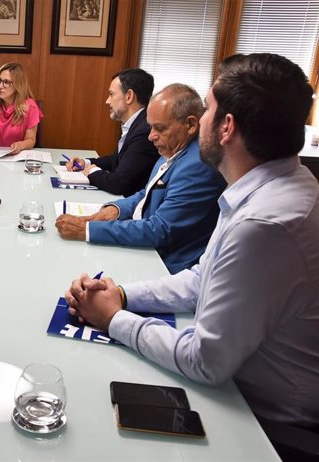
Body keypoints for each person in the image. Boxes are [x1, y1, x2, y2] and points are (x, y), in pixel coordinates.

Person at [64, 54, 319, 439]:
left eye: (208, 109)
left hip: (261, 423)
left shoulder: (264, 225)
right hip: (238, 386)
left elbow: (205, 361)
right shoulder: (268, 188)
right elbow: (203, 278)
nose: (198, 119)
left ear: (226, 127)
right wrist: (120, 294)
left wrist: (113, 319)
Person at [56, 84, 225, 275]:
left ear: (191, 125)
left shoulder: (197, 165)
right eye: (151, 126)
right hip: (147, 249)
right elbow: (148, 193)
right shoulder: (174, 147)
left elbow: (159, 230)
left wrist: (87, 230)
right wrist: (115, 209)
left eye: (159, 128)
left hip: (166, 267)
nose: (151, 136)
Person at [66, 69, 160, 196]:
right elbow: (116, 160)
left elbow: (118, 184)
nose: (107, 101)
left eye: (111, 94)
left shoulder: (144, 132)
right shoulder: (137, 123)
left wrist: (92, 172)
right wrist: (86, 162)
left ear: (129, 96)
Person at [0, 62, 44, 154]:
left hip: (17, 158)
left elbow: (30, 139)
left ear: (17, 85)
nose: (0, 86)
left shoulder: (30, 107)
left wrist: (20, 145)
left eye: (6, 82)